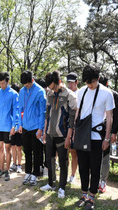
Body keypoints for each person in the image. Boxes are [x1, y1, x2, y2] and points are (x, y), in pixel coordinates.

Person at [75, 65, 114, 209]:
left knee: (95, 167)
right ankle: (83, 194)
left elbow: (109, 118)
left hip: (97, 137)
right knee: (83, 167)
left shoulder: (106, 93)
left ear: (97, 78)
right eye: (86, 82)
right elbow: (78, 113)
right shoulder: (81, 92)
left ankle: (91, 197)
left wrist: (107, 138)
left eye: (91, 82)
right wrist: (74, 132)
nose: (89, 85)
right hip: (82, 135)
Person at [40, 70, 77, 199]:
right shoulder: (49, 94)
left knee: (63, 162)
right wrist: (45, 132)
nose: (52, 89)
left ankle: (62, 187)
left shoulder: (69, 95)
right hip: (50, 133)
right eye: (50, 87)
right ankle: (51, 183)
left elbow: (72, 119)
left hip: (62, 135)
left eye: (53, 86)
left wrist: (69, 136)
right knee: (49, 159)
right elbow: (47, 114)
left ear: (58, 83)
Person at [18, 71, 46, 185]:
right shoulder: (22, 91)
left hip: (35, 127)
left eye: (28, 84)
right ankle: (28, 173)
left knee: (37, 152)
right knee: (27, 151)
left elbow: (43, 112)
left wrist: (40, 128)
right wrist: (20, 124)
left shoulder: (40, 91)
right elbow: (19, 109)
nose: (26, 86)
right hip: (25, 126)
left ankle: (35, 174)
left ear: (32, 80)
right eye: (24, 84)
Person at [0, 72, 19, 181]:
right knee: (0, 148)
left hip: (8, 126)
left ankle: (7, 170)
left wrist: (14, 126)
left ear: (8, 82)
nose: (2, 85)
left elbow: (16, 111)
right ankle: (1, 169)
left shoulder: (13, 94)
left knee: (8, 149)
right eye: (0, 83)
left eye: (3, 83)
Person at [98, 74, 118, 193]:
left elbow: (116, 116)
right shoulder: (94, 93)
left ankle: (103, 181)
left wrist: (113, 132)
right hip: (97, 130)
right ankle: (95, 180)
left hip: (108, 130)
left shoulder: (113, 95)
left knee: (105, 156)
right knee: (96, 156)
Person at [66, 72, 79, 185]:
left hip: (77, 127)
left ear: (76, 82)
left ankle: (73, 175)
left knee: (74, 152)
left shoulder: (80, 94)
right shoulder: (65, 93)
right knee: (65, 151)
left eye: (71, 82)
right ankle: (65, 173)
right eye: (68, 82)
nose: (69, 85)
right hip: (65, 126)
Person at [9, 83, 23, 173]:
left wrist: (18, 126)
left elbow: (20, 115)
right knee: (13, 146)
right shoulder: (10, 101)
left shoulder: (20, 101)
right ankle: (13, 163)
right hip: (11, 127)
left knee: (18, 147)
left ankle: (19, 165)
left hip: (19, 128)